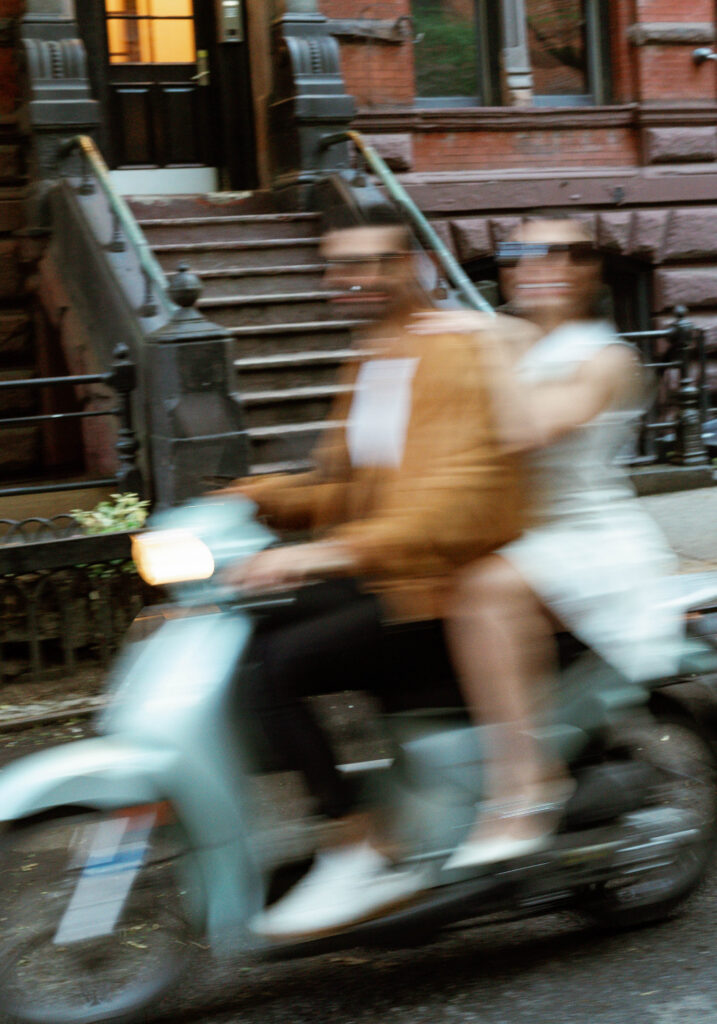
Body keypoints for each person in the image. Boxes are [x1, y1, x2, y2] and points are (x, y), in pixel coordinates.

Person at [217, 208, 535, 938]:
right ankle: (333, 815)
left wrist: (320, 553)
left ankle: (358, 844)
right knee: (238, 634)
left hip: (440, 590)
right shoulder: (374, 356)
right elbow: (344, 489)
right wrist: (250, 499)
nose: (350, 280)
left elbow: (453, 507)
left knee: (277, 665)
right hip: (390, 573)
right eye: (336, 266)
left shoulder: (451, 356)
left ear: (411, 265)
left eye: (370, 263)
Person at [411, 215, 683, 871]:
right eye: (517, 253)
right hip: (519, 530)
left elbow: (526, 429)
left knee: (484, 591)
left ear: (584, 271)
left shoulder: (605, 358)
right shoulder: (510, 342)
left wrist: (489, 341)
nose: (533, 265)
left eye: (556, 253)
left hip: (589, 541)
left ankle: (528, 785)